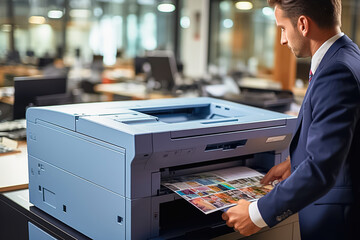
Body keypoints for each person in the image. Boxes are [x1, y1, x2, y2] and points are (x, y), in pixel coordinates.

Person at [222, 0, 360, 239]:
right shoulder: (348, 54)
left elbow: (321, 169)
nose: (283, 40)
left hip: (336, 222)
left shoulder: (336, 72)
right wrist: (294, 162)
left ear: (303, 24)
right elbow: (343, 139)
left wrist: (257, 214)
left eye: (283, 28)